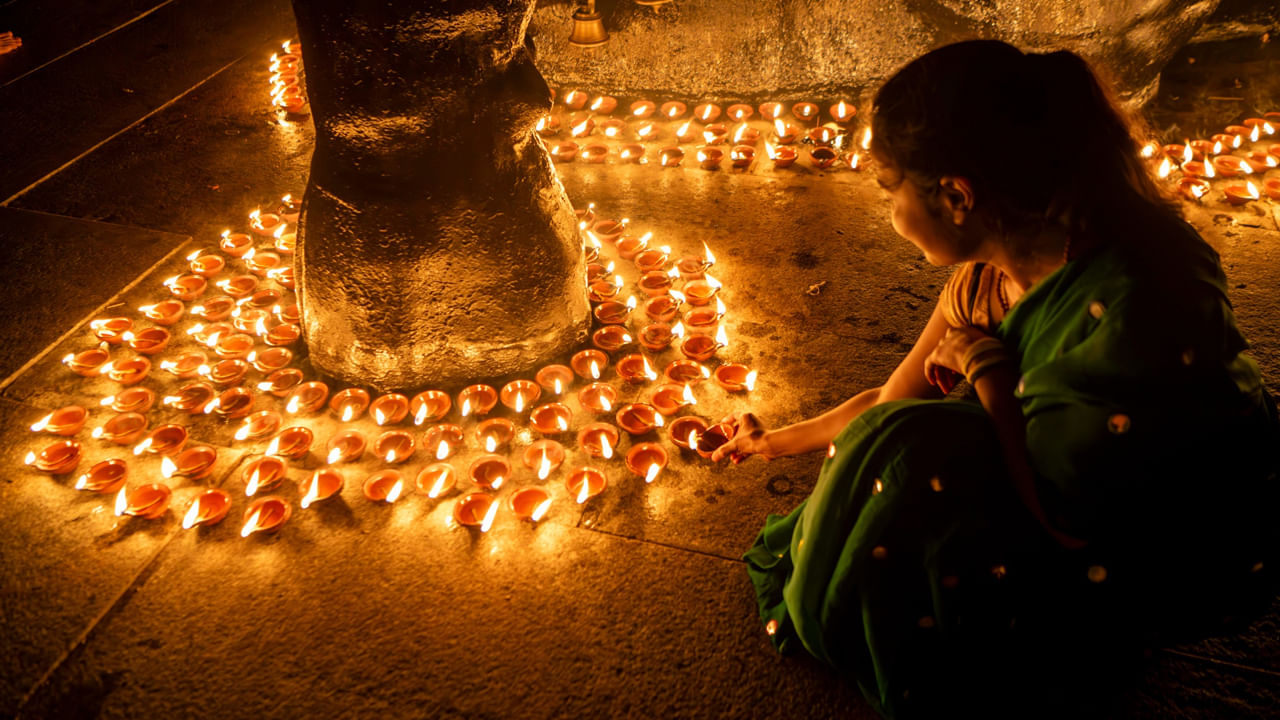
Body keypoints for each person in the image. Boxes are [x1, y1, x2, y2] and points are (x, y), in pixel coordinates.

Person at [712, 40, 1279, 718]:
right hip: (1047, 487)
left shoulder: (1143, 303)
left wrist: (990, 380)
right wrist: (773, 442)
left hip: (1146, 540)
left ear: (956, 196)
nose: (888, 215)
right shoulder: (982, 282)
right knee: (896, 440)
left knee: (917, 451)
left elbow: (1074, 518)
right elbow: (888, 402)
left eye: (890, 191)